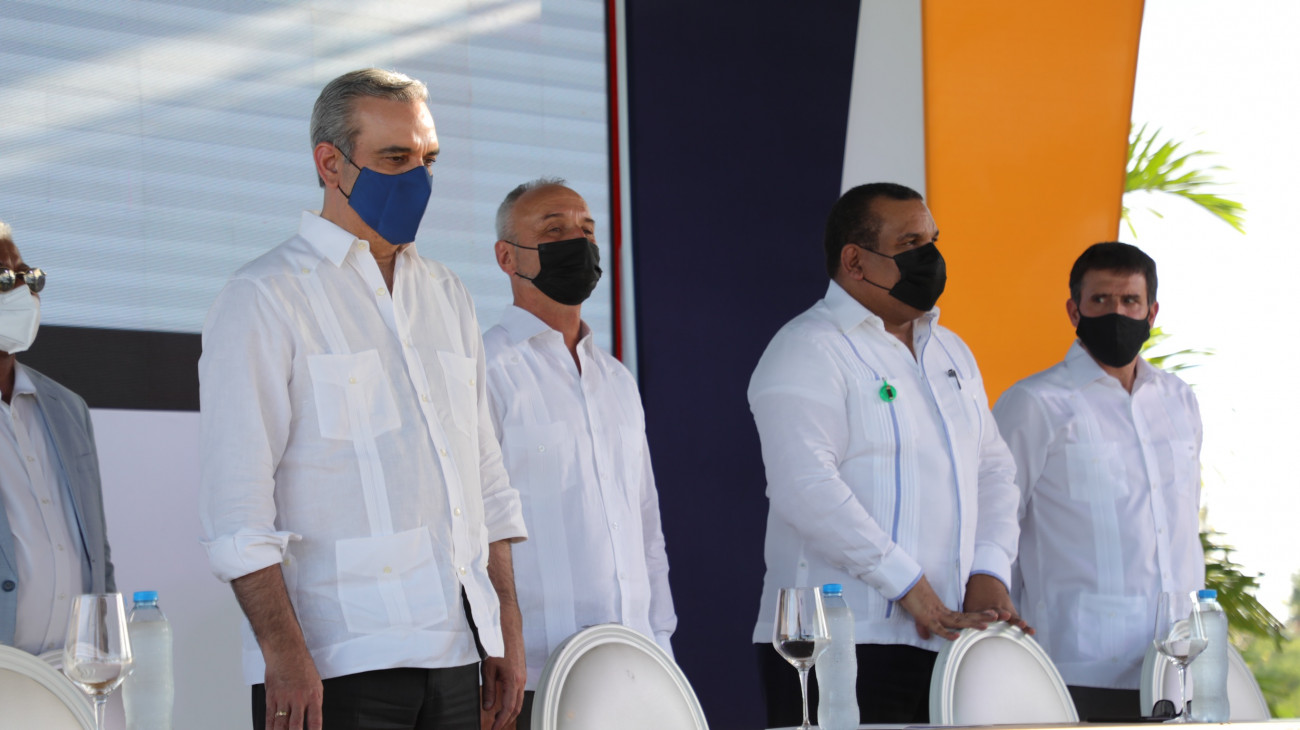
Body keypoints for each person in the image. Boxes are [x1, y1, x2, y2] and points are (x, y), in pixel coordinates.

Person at [198, 68, 527, 730]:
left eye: (428, 159)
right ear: (330, 164)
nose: (418, 178)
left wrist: (505, 629)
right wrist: (282, 654)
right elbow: (237, 507)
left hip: (459, 652)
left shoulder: (448, 295)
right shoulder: (263, 296)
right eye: (395, 158)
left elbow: (485, 479)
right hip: (336, 662)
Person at [749, 182, 1027, 726]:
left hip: (947, 641)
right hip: (835, 644)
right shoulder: (806, 347)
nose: (931, 258)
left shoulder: (951, 351)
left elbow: (993, 469)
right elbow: (805, 487)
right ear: (855, 261)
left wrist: (989, 570)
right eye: (910, 244)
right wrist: (909, 586)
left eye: (932, 240)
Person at [482, 179, 676, 729]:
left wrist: (662, 646)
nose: (578, 242)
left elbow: (646, 528)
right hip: (532, 679)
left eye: (587, 231)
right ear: (506, 257)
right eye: (554, 231)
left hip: (635, 671)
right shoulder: (485, 369)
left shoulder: (616, 379)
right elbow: (474, 531)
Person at [993, 242, 1203, 719]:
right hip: (1078, 667)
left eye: (1130, 301)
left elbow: (1182, 523)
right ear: (1074, 310)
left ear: (1151, 312)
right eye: (1101, 300)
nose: (1116, 313)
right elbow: (995, 526)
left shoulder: (1179, 400)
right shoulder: (1034, 403)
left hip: (1181, 664)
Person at [0, 222, 114, 656]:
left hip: (74, 673)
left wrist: (104, 652)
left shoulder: (67, 408)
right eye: (4, 278)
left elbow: (96, 551)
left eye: (28, 277)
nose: (22, 293)